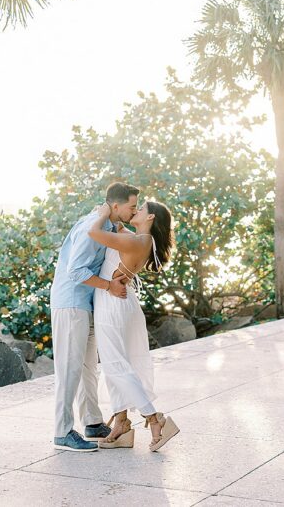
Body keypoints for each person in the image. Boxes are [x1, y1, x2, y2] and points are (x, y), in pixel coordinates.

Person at [51, 181, 138, 453]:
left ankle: (91, 422)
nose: (134, 211)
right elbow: (75, 270)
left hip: (86, 303)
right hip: (70, 303)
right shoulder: (94, 227)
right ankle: (62, 431)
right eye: (131, 206)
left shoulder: (108, 226)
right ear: (115, 205)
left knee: (88, 366)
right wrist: (109, 286)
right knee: (69, 367)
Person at [89, 199, 181, 452]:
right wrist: (116, 213)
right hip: (123, 301)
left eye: (141, 209)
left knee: (115, 364)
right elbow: (117, 231)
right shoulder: (140, 240)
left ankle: (155, 419)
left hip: (112, 303)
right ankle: (121, 425)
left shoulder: (137, 241)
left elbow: (94, 233)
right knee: (115, 365)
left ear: (150, 218)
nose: (136, 211)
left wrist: (104, 211)